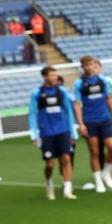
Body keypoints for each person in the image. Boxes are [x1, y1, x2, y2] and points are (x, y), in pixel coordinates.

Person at [28, 66, 78, 200]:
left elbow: (69, 112)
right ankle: (49, 182)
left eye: (55, 75)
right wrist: (34, 135)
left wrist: (73, 132)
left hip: (63, 130)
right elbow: (32, 114)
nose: (55, 77)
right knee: (50, 163)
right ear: (45, 77)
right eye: (52, 75)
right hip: (47, 133)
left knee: (66, 159)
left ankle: (67, 190)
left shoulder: (62, 91)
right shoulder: (36, 93)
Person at [72, 55, 112, 193]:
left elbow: (109, 98)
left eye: (92, 64)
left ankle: (106, 171)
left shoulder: (102, 80)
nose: (90, 67)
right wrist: (81, 124)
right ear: (82, 67)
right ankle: (98, 181)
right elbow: (77, 105)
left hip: (105, 119)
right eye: (86, 65)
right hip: (90, 121)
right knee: (94, 152)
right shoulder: (79, 83)